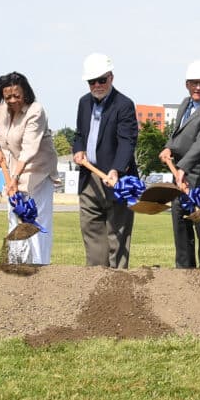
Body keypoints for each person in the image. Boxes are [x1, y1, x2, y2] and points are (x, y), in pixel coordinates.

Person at [71, 53, 139, 268]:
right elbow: (79, 134)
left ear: (111, 77)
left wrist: (117, 170)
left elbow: (127, 141)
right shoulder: (83, 103)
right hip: (89, 178)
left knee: (117, 235)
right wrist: (78, 149)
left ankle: (118, 284)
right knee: (91, 231)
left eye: (102, 80)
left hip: (115, 181)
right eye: (92, 81)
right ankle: (96, 278)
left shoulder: (124, 105)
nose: (97, 85)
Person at [0, 72, 58, 265]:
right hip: (12, 172)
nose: (12, 100)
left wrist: (15, 178)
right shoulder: (0, 111)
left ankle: (39, 267)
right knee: (14, 220)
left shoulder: (36, 111)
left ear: (25, 93)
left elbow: (29, 149)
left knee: (35, 223)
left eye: (16, 95)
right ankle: (16, 265)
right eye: (7, 97)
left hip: (37, 173)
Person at [160, 60, 200, 269]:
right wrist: (169, 147)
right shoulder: (184, 104)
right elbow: (178, 134)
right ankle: (184, 282)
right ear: (187, 84)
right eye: (194, 83)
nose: (198, 87)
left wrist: (183, 167)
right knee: (181, 234)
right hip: (180, 182)